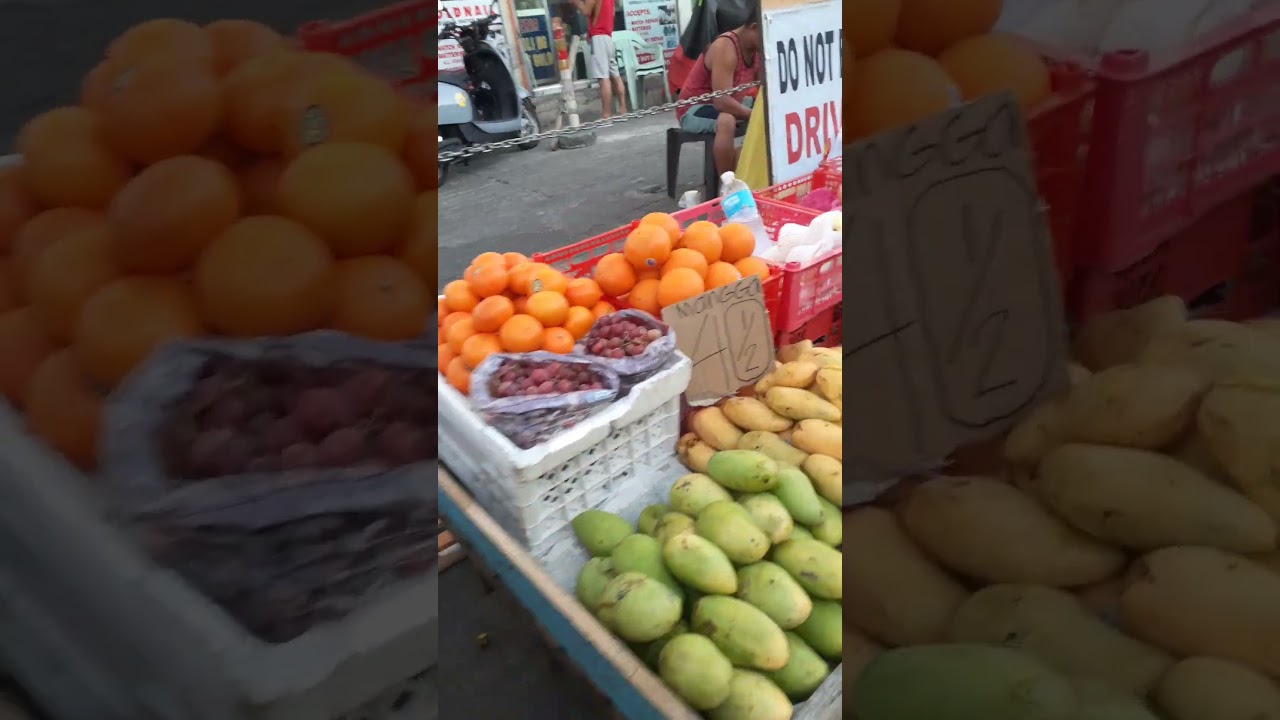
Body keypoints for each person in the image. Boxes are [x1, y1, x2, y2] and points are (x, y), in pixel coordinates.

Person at [675, 3, 763, 176]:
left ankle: (746, 166)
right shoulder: (726, 47)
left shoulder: (756, 50)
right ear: (753, 28)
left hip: (732, 101)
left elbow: (763, 91)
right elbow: (721, 102)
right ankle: (728, 184)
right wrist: (753, 115)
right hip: (694, 109)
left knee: (765, 108)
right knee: (726, 120)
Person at [573, 0, 628, 118]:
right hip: (608, 36)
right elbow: (612, 14)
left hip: (598, 37)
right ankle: (622, 108)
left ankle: (606, 113)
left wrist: (576, 2)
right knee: (615, 74)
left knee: (603, 78)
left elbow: (586, 11)